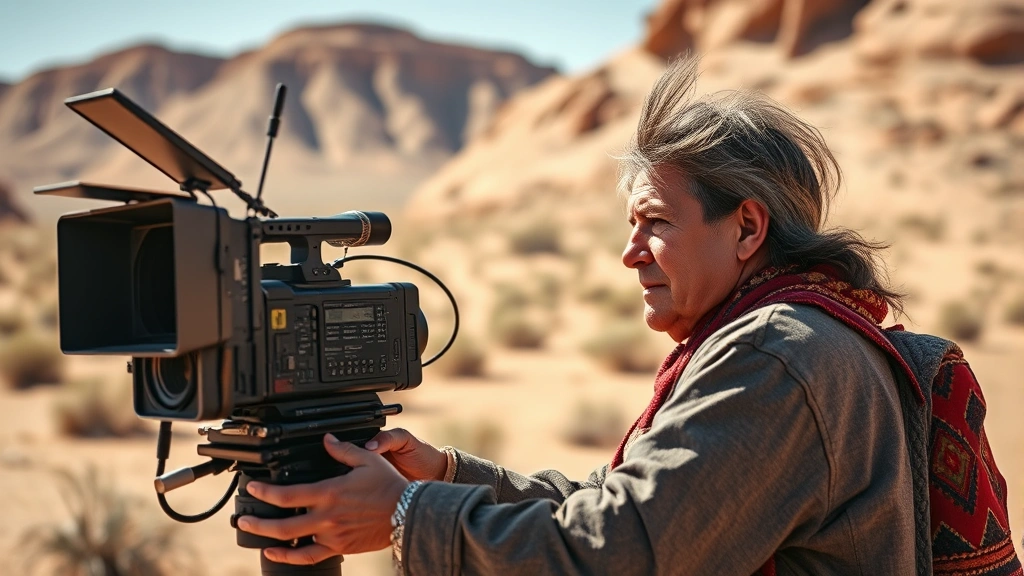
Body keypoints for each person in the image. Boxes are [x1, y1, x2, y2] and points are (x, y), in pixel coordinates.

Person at [236, 57, 934, 574]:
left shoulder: (778, 354)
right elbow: (631, 504)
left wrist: (400, 514)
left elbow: (617, 554)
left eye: (654, 222)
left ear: (748, 228)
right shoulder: (810, 331)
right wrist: (445, 474)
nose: (630, 254)